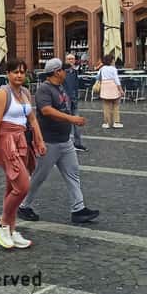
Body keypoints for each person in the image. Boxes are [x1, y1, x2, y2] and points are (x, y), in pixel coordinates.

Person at [17, 58, 99, 225]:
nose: (66, 72)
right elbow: (47, 110)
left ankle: (78, 209)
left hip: (64, 140)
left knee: (73, 173)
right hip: (49, 142)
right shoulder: (44, 90)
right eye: (63, 69)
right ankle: (23, 205)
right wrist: (72, 119)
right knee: (39, 176)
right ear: (56, 72)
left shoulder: (60, 87)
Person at [0, 58, 45, 250]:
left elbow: (32, 119)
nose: (19, 75)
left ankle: (11, 229)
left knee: (11, 187)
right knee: (23, 185)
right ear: (8, 74)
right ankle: (2, 224)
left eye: (22, 72)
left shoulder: (26, 92)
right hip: (6, 140)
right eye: (15, 72)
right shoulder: (2, 94)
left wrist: (39, 140)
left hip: (21, 139)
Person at [63, 54, 87, 152]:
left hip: (74, 99)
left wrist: (76, 96)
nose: (71, 61)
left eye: (72, 59)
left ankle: (78, 143)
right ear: (66, 60)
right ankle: (66, 142)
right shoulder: (64, 72)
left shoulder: (75, 71)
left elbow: (75, 85)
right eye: (69, 59)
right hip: (66, 100)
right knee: (66, 122)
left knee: (76, 121)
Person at [97, 54, 124, 129]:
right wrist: (121, 90)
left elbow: (98, 77)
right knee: (116, 105)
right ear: (111, 61)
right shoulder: (113, 69)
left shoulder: (101, 69)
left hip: (105, 87)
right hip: (113, 87)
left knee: (106, 106)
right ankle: (116, 122)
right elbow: (117, 80)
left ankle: (107, 123)